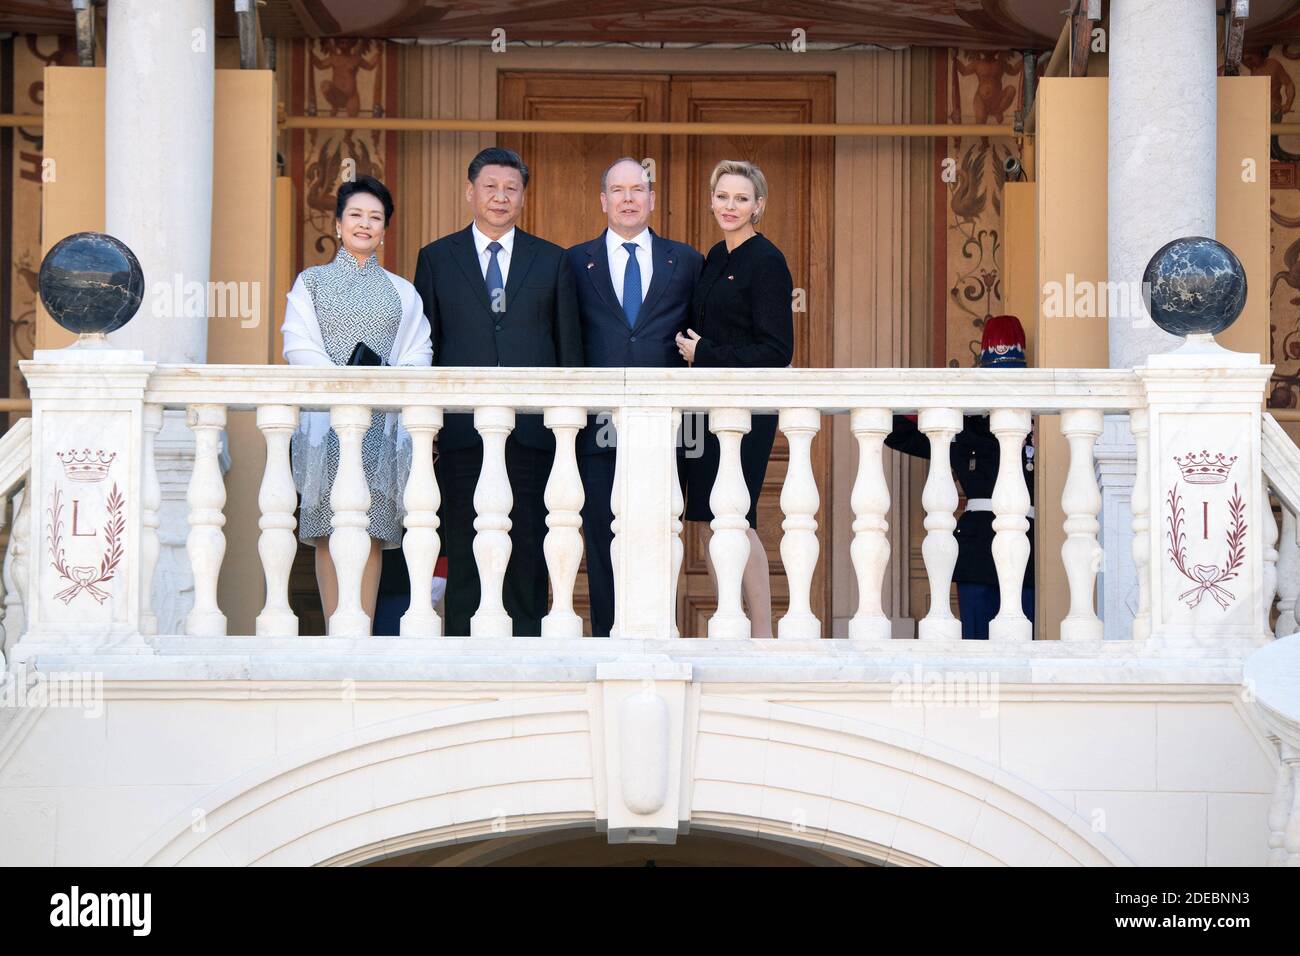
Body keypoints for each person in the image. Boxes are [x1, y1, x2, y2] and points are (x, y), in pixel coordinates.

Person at [413, 147, 583, 637]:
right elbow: (428, 347)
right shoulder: (437, 258)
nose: (500, 197)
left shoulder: (552, 260)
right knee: (465, 542)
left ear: (523, 197)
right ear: (470, 192)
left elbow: (568, 351)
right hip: (463, 433)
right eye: (490, 187)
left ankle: (529, 642)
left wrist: (565, 431)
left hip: (533, 434)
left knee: (530, 543)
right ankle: (465, 644)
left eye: (511, 188)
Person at [282, 175, 432, 628]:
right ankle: (336, 630)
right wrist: (342, 382)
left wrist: (382, 381)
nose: (365, 225)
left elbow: (419, 353)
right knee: (327, 530)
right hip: (326, 428)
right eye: (356, 215)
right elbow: (298, 345)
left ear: (385, 229)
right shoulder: (311, 282)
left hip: (382, 431)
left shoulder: (402, 291)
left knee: (374, 532)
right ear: (339, 222)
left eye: (375, 218)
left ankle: (360, 628)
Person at [567, 157, 704, 637]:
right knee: (603, 536)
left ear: (651, 199)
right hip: (597, 427)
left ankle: (657, 632)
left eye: (637, 189)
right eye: (618, 191)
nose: (628, 199)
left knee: (660, 536)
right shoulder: (575, 261)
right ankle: (608, 635)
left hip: (668, 428)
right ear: (604, 201)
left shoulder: (685, 260)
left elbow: (701, 334)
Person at [675, 160, 794, 639]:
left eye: (741, 198)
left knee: (734, 518)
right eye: (723, 197)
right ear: (712, 201)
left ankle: (762, 633)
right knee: (708, 518)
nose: (730, 206)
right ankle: (732, 619)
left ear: (758, 206)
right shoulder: (713, 256)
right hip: (706, 410)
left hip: (746, 412)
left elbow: (777, 350)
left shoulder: (768, 261)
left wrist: (705, 352)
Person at [884, 314, 1035, 639]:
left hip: (1027, 546)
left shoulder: (1037, 424)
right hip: (976, 550)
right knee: (977, 643)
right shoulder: (962, 428)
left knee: (1022, 643)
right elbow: (893, 431)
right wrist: (940, 400)